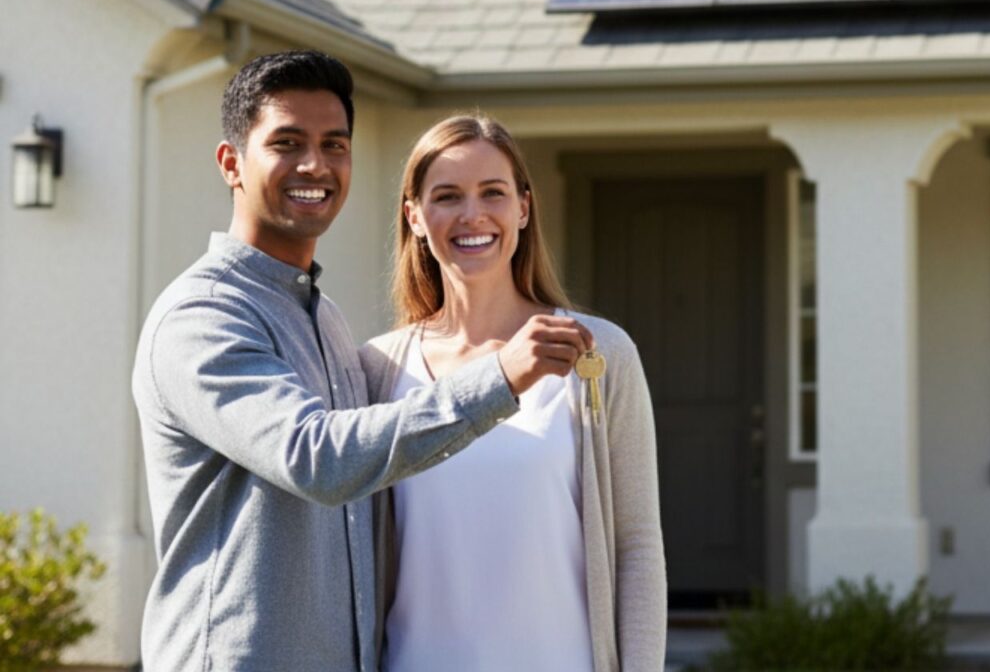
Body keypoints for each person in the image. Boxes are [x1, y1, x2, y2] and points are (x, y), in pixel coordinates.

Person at [131, 52, 594, 672]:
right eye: (287, 143)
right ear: (231, 164)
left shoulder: (324, 318)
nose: (315, 165)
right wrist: (500, 377)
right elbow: (319, 458)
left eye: (335, 145)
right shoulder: (203, 317)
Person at [359, 115, 666, 672]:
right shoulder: (378, 369)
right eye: (446, 196)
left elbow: (637, 548)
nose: (471, 215)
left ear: (523, 208)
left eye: (492, 193)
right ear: (415, 217)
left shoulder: (598, 355)